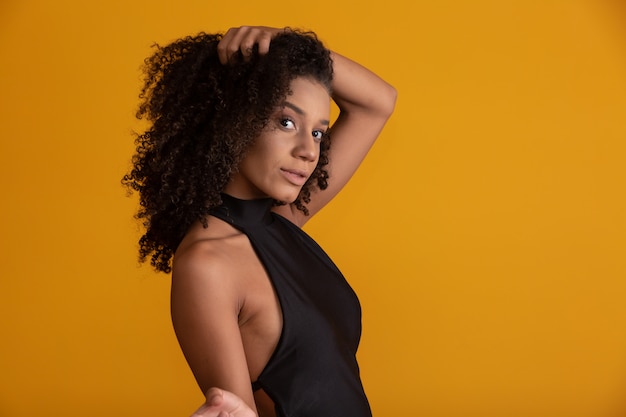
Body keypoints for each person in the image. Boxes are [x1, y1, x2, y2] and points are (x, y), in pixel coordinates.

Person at [124, 25, 396, 417]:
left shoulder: (282, 219)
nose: (308, 151)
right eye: (287, 122)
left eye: (319, 132)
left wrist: (283, 49)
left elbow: (379, 102)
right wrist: (273, 60)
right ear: (234, 119)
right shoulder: (207, 266)